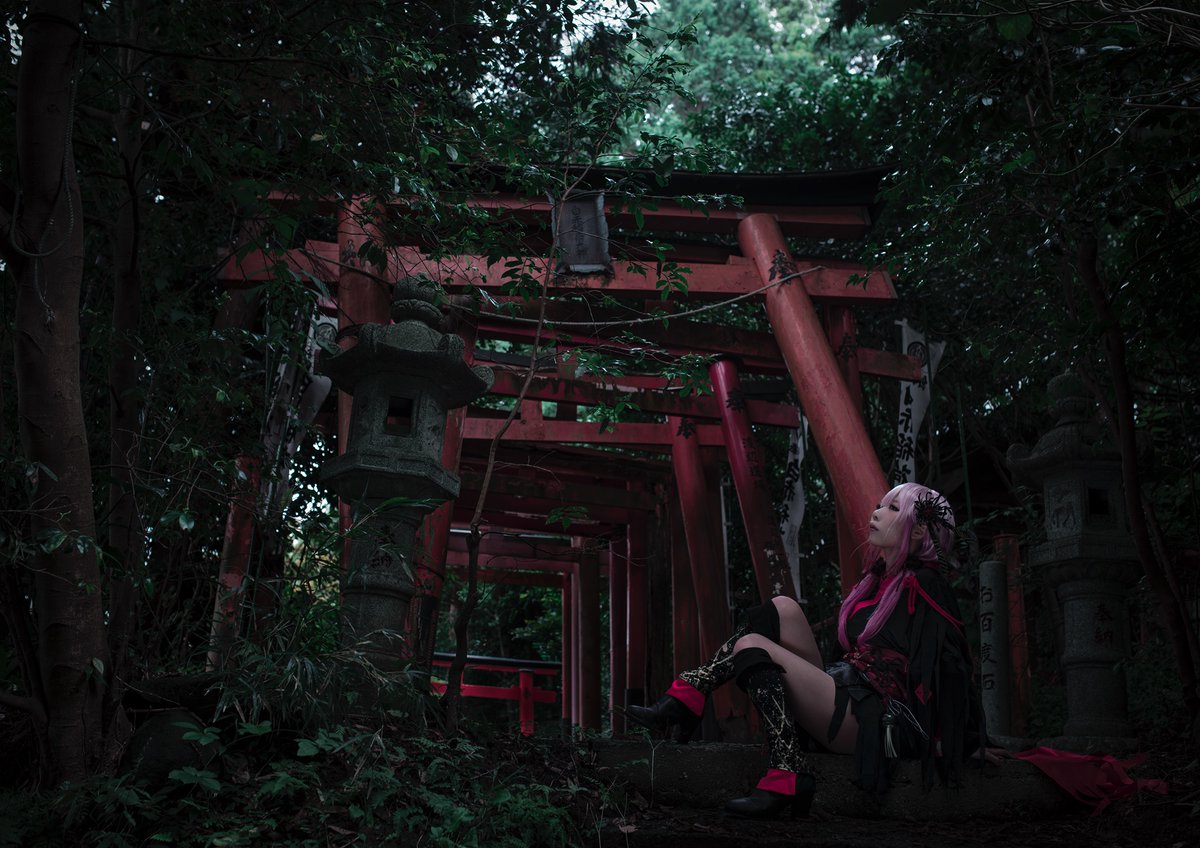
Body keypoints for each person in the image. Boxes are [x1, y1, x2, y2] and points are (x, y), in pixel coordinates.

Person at [626, 482, 981, 819]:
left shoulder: (926, 584)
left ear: (918, 531)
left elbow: (951, 664)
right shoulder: (874, 582)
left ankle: (784, 766)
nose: (876, 512)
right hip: (846, 691)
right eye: (879, 505)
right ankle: (688, 696)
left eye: (892, 508)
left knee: (751, 644)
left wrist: (966, 738)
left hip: (876, 719)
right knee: (782, 607)